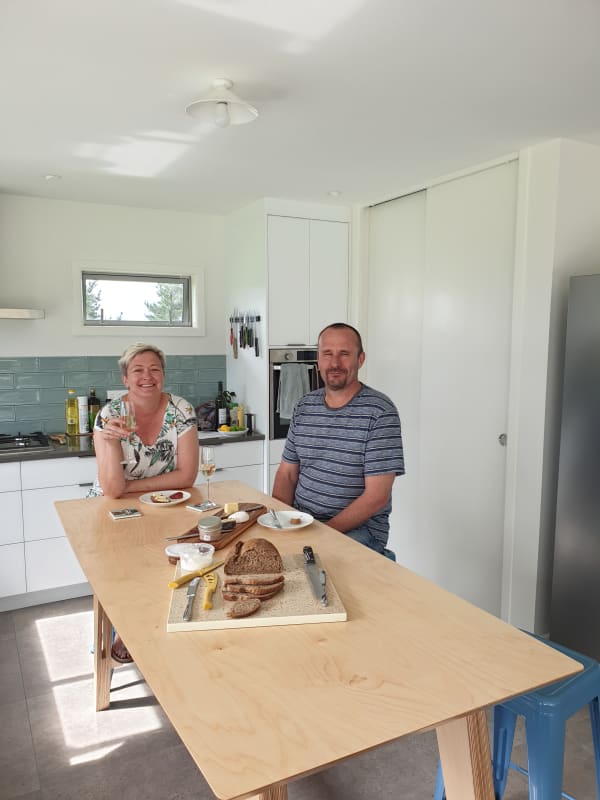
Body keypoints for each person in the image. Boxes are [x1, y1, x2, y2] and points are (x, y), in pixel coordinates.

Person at [89, 343, 199, 661]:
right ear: (125, 378)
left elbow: (187, 476)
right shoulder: (109, 416)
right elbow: (111, 489)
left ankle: (161, 626)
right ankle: (121, 629)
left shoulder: (182, 411)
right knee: (121, 565)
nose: (147, 376)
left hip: (164, 502)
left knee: (174, 558)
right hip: (116, 505)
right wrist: (108, 441)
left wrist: (133, 486)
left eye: (154, 369)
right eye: (138, 370)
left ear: (163, 376)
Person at [272, 323, 404, 559]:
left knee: (317, 575)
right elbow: (287, 474)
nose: (335, 363)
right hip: (303, 521)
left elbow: (377, 497)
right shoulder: (304, 407)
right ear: (318, 360)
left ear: (360, 359)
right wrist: (280, 522)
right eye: (327, 354)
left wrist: (322, 534)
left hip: (359, 531)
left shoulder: (380, 412)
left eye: (344, 354)